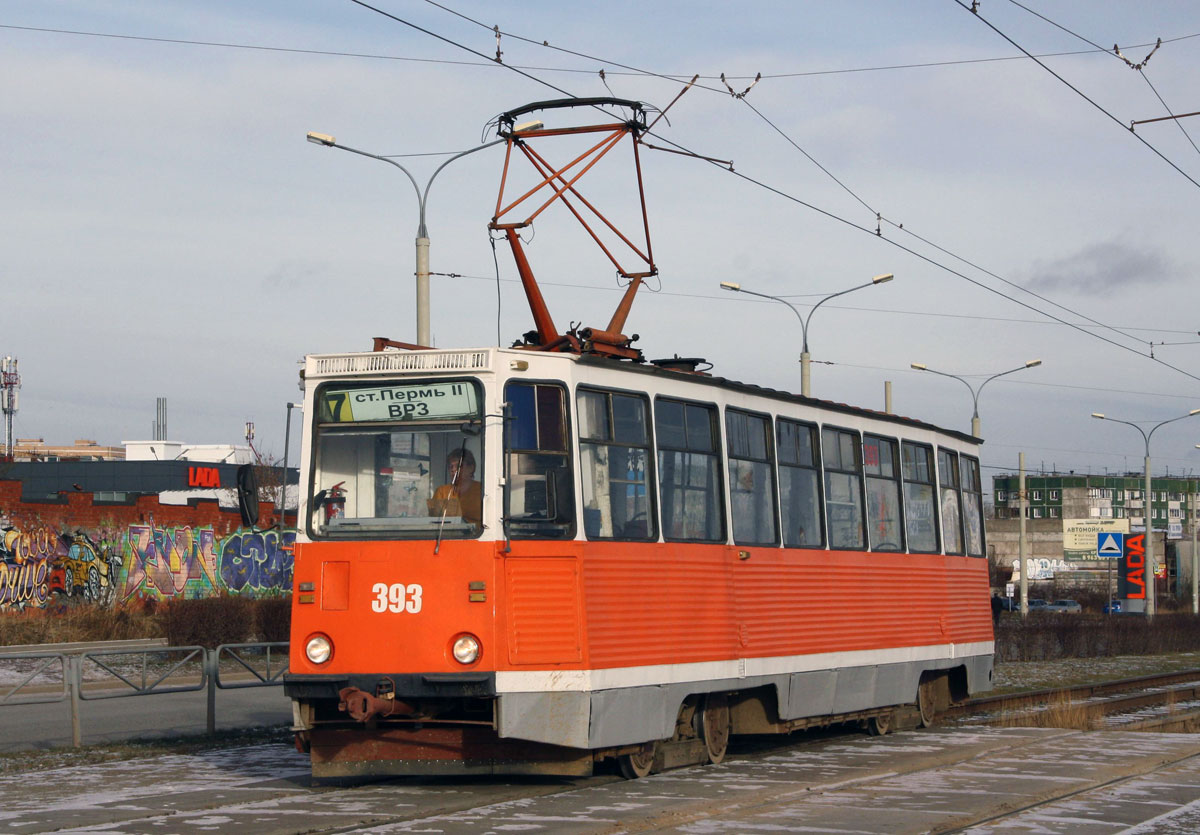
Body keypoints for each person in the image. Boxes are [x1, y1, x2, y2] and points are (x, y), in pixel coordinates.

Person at [429, 449, 482, 528]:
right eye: (451, 467)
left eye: (458, 466)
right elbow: (433, 520)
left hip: (478, 537)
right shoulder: (441, 491)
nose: (453, 470)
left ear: (471, 468)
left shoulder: (482, 490)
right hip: (448, 536)